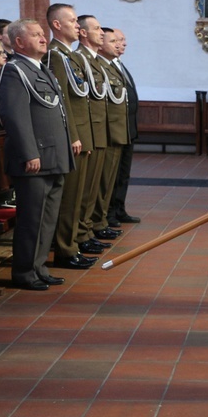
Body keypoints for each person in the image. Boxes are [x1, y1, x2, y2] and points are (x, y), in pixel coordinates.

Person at [0, 18, 74, 290]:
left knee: (47, 218)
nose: (44, 38)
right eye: (36, 35)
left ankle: (39, 268)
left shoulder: (42, 70)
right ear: (19, 42)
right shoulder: (14, 71)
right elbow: (15, 117)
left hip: (53, 157)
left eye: (43, 34)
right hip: (34, 159)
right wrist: (30, 153)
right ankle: (24, 273)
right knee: (32, 219)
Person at [44, 3, 98, 270]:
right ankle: (65, 250)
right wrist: (74, 136)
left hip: (83, 134)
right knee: (70, 197)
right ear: (57, 25)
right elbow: (62, 99)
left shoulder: (68, 56)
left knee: (78, 196)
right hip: (74, 136)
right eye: (73, 21)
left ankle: (72, 244)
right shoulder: (55, 55)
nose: (78, 26)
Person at [75, 14, 121, 255]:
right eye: (96, 29)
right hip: (90, 132)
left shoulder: (95, 62)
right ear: (82, 32)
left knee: (95, 187)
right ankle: (82, 233)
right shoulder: (77, 59)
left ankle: (89, 229)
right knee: (86, 189)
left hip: (101, 131)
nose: (102, 33)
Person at [93, 27, 130, 239]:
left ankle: (98, 222)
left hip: (116, 131)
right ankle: (91, 226)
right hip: (102, 133)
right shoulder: (97, 66)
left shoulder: (111, 66)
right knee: (97, 185)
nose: (119, 44)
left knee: (108, 181)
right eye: (114, 40)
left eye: (121, 40)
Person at [107, 28, 141, 227]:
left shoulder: (120, 65)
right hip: (117, 129)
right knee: (113, 175)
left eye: (123, 39)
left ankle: (119, 209)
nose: (123, 44)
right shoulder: (106, 66)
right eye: (117, 40)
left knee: (123, 173)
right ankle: (109, 213)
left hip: (129, 127)